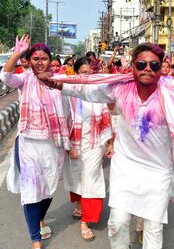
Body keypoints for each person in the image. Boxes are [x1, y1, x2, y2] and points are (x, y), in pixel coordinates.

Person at [38, 42, 174, 249]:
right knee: (117, 223)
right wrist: (56, 83)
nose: (147, 68)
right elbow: (87, 89)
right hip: (125, 169)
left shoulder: (173, 93)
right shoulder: (121, 88)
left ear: (160, 70)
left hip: (158, 172)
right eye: (141, 64)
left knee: (153, 228)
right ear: (132, 67)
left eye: (154, 65)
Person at [0, 35, 71, 249]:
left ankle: (39, 217)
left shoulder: (60, 81)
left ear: (50, 60)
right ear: (29, 61)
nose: (40, 62)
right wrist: (18, 52)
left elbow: (70, 108)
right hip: (29, 143)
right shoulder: (24, 80)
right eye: (35, 58)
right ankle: (35, 239)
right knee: (31, 191)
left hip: (54, 144)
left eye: (44, 58)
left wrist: (71, 142)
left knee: (48, 189)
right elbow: (5, 76)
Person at [62, 57, 113, 242]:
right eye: (83, 72)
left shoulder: (98, 91)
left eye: (89, 72)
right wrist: (70, 146)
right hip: (75, 145)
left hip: (94, 144)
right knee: (77, 177)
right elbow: (64, 119)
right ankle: (79, 206)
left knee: (91, 179)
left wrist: (109, 143)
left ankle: (85, 221)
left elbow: (106, 116)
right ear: (76, 73)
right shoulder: (68, 92)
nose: (86, 75)